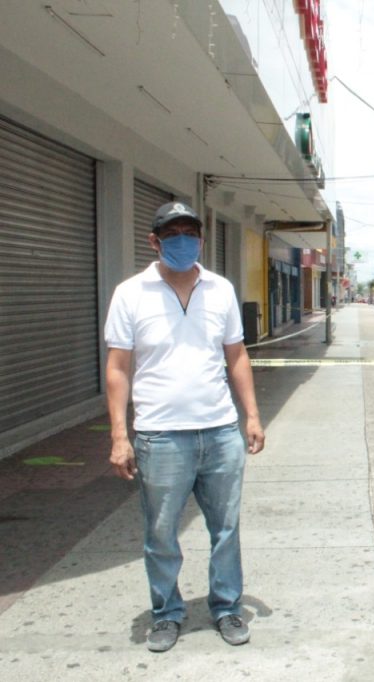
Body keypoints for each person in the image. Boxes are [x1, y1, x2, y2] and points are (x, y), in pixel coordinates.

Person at [104, 201, 265, 652]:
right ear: (154, 241)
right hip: (159, 435)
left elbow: (236, 354)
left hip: (219, 431)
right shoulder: (130, 293)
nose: (182, 240)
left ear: (201, 239)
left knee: (226, 528)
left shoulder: (221, 289)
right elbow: (118, 367)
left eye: (189, 233)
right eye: (171, 233)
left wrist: (250, 415)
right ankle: (167, 613)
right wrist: (120, 435)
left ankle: (227, 607)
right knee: (160, 533)